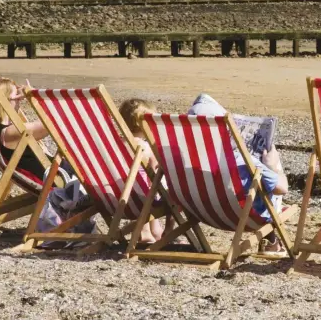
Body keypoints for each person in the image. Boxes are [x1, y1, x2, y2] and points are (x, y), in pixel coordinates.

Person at [188, 93, 288, 252]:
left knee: (255, 180)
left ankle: (271, 242)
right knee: (269, 163)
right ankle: (272, 243)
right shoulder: (240, 159)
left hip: (200, 211)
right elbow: (282, 188)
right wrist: (272, 166)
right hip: (245, 216)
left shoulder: (182, 158)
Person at [119, 97, 165, 245]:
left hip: (116, 195)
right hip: (141, 198)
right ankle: (146, 232)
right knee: (151, 189)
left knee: (140, 188)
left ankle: (155, 229)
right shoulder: (146, 148)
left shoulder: (116, 145)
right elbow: (153, 175)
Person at [0, 75, 51, 182]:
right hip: (57, 178)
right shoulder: (11, 132)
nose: (21, 99)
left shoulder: (1, 129)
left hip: (55, 171)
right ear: (5, 100)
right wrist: (34, 95)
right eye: (17, 96)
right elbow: (55, 122)